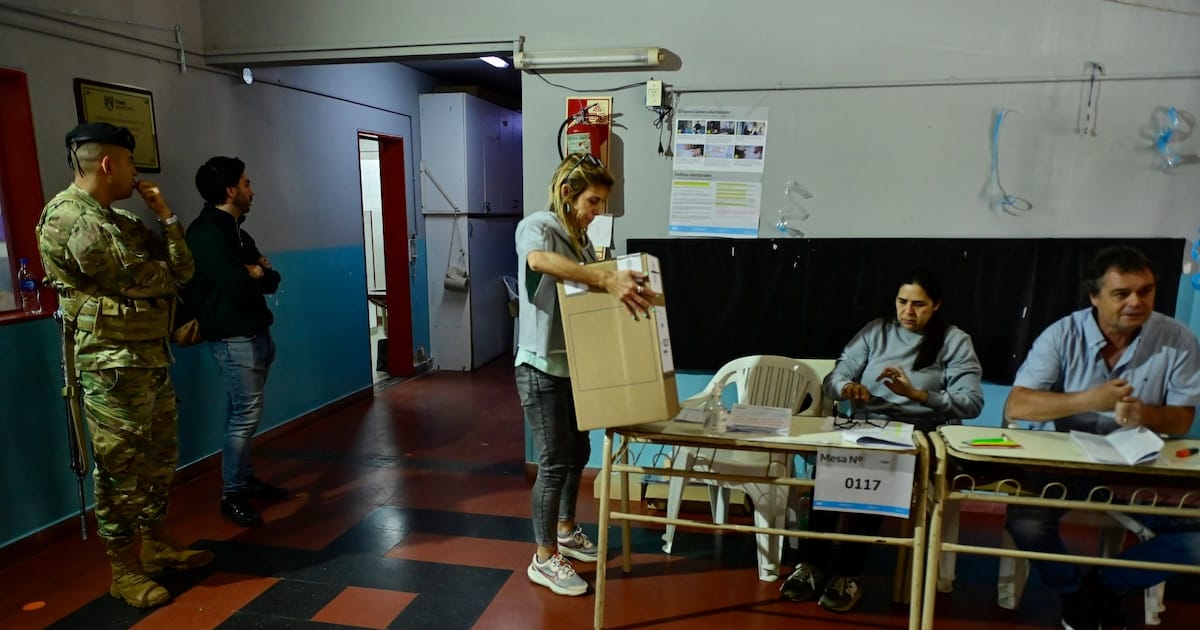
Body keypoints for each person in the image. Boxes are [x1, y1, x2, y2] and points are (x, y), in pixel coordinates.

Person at [36, 122, 211, 608]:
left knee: (158, 459)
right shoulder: (68, 217)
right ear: (107, 163)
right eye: (131, 162)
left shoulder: (121, 220)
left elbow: (183, 269)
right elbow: (135, 278)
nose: (136, 172)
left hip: (148, 359)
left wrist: (166, 217)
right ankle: (124, 569)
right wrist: (164, 273)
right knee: (119, 467)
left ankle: (156, 545)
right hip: (109, 366)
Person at [1003, 245, 1200, 630]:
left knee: (1196, 541)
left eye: (1145, 291)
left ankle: (1106, 584)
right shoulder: (1062, 333)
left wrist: (1145, 414)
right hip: (1063, 464)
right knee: (1027, 524)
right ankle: (1072, 590)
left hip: (1136, 467)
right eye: (1122, 293)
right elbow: (1017, 405)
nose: (1136, 302)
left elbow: (1181, 420)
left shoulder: (1177, 338)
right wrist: (1091, 400)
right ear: (1094, 296)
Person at [781, 266, 983, 612]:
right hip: (866, 427)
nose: (908, 311)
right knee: (829, 468)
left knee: (873, 473)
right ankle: (812, 565)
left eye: (918, 304)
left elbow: (972, 402)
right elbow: (836, 376)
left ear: (936, 304)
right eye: (902, 302)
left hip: (917, 434)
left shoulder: (953, 341)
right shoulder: (877, 331)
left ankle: (847, 573)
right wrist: (848, 387)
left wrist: (918, 395)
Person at [514, 153, 653, 596]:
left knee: (578, 452)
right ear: (567, 193)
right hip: (540, 367)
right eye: (593, 201)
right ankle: (543, 558)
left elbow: (590, 287)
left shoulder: (581, 242)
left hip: (574, 367)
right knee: (554, 462)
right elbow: (538, 261)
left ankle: (566, 531)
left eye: (601, 204)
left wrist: (619, 278)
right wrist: (607, 280)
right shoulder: (538, 225)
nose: (597, 211)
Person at [187, 156, 286, 527]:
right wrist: (252, 273)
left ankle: (244, 480)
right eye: (246, 183)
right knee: (244, 418)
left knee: (242, 414)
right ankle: (233, 494)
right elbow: (236, 285)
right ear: (230, 191)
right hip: (233, 338)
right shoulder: (206, 234)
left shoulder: (236, 231)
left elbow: (271, 278)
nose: (252, 190)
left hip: (255, 332)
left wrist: (256, 272)